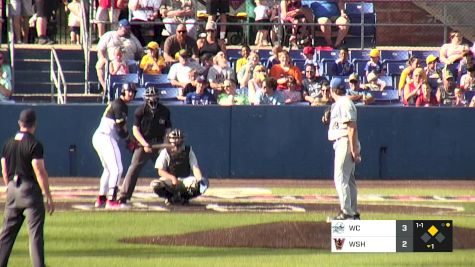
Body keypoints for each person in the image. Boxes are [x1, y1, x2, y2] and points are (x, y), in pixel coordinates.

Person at [0, 109, 54, 267]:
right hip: (29, 191)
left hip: (12, 189)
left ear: (19, 123)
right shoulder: (34, 144)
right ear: (34, 125)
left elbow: (4, 168)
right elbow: (39, 170)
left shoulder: (8, 144)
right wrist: (47, 195)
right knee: (35, 236)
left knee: (6, 235)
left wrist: (9, 186)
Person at [118, 86, 172, 207]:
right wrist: (144, 144)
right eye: (150, 97)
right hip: (143, 144)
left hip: (159, 143)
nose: (153, 99)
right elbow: (135, 130)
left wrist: (165, 145)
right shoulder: (140, 111)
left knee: (167, 168)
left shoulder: (164, 111)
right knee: (134, 168)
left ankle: (171, 195)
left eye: (155, 97)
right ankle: (124, 195)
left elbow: (168, 130)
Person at [92, 83, 136, 209]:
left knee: (108, 169)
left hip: (101, 137)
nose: (131, 94)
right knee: (117, 169)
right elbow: (121, 128)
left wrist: (128, 141)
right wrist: (129, 141)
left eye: (133, 92)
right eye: (129, 91)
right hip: (106, 137)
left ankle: (101, 198)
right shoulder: (119, 104)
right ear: (123, 91)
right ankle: (111, 200)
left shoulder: (119, 104)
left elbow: (121, 128)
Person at [324, 77, 360, 220]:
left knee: (340, 178)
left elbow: (351, 127)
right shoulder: (339, 103)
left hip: (345, 141)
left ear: (332, 90)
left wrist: (353, 149)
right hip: (344, 141)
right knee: (349, 180)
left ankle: (346, 213)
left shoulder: (344, 102)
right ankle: (353, 212)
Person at [150, 129, 209, 205]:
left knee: (203, 183)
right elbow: (160, 171)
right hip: (170, 181)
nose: (177, 140)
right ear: (170, 139)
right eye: (174, 138)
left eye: (179, 138)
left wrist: (200, 179)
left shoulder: (188, 151)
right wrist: (172, 178)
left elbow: (195, 167)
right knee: (155, 185)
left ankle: (184, 197)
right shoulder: (165, 152)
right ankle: (170, 197)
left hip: (185, 180)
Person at [95, 19, 143, 94]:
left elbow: (140, 51)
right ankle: (105, 88)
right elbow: (100, 49)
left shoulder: (132, 38)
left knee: (137, 64)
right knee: (100, 64)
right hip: (112, 61)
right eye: (125, 29)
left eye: (129, 29)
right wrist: (103, 59)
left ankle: (134, 89)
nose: (128, 30)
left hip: (128, 62)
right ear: (120, 27)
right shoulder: (109, 35)